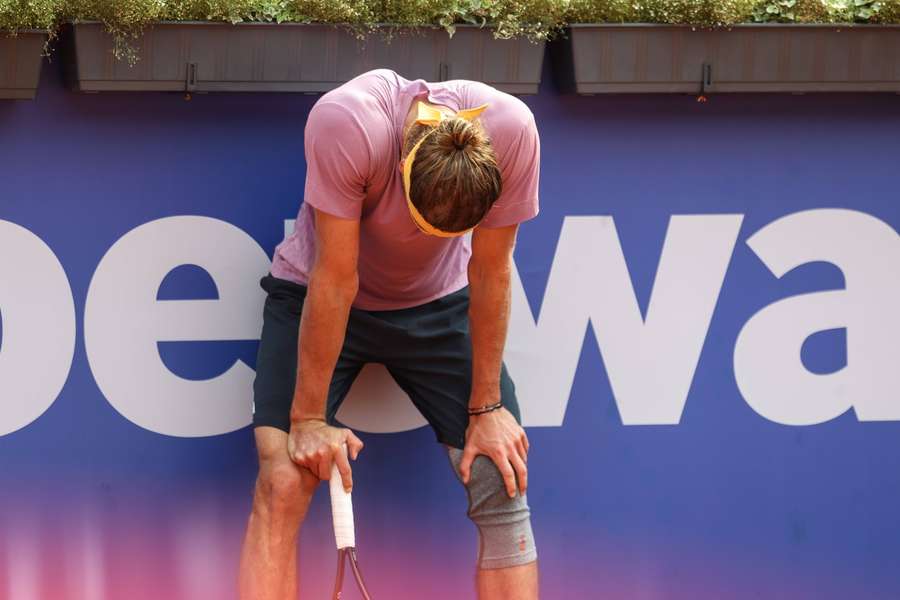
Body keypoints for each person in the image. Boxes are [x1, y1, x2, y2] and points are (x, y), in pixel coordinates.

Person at [238, 67, 541, 599]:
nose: (430, 238)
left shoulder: (514, 130)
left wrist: (488, 408)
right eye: (426, 225)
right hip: (321, 292)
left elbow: (490, 270)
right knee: (283, 478)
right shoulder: (346, 121)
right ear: (404, 169)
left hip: (442, 304)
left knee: (502, 475)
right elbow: (334, 278)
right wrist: (307, 419)